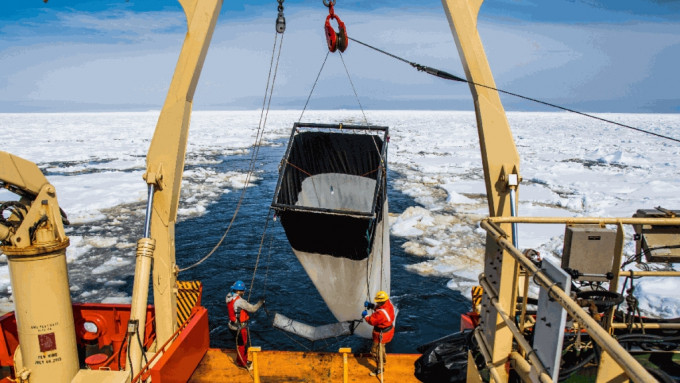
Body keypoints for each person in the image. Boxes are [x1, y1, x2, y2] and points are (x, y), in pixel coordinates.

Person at [226, 280, 263, 370]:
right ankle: (242, 364)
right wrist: (261, 302)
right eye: (243, 290)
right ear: (238, 291)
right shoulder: (240, 302)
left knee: (239, 344)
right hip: (239, 327)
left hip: (232, 326)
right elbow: (253, 309)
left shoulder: (228, 296)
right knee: (242, 346)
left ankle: (241, 360)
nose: (244, 292)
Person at [362, 290, 395, 377]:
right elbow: (380, 308)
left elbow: (372, 321)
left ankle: (380, 369)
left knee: (375, 352)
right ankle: (383, 361)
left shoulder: (381, 314)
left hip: (381, 334)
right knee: (382, 347)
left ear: (380, 301)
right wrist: (372, 306)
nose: (376, 302)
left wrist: (365, 316)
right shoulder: (388, 304)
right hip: (388, 331)